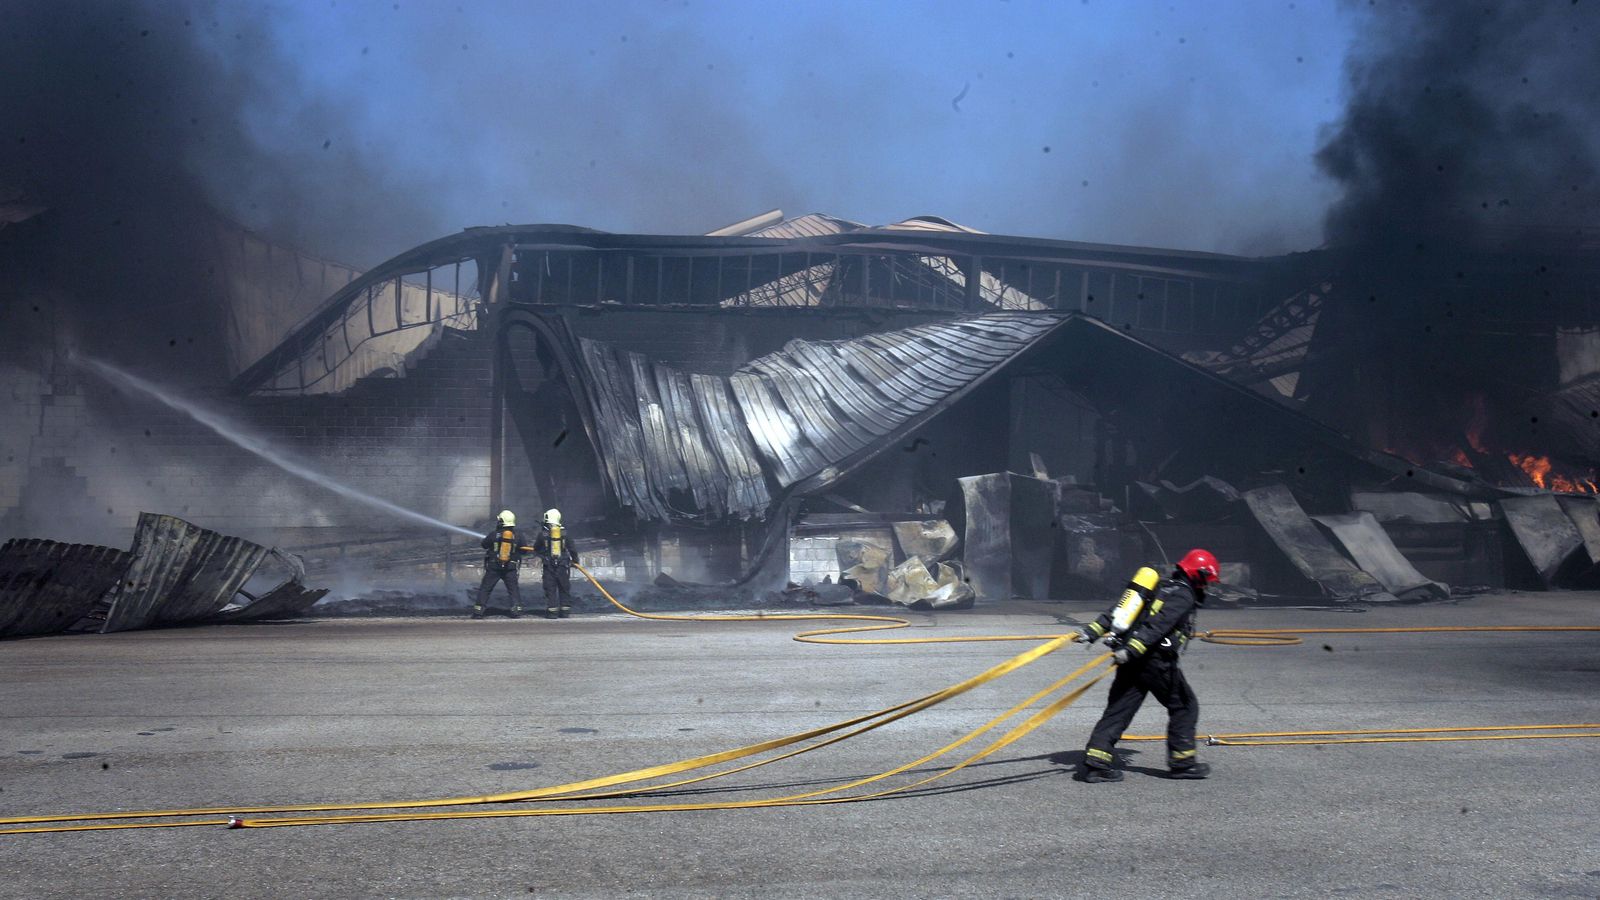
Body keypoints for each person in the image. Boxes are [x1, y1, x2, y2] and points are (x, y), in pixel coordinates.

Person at [1071, 548, 1220, 783]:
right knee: (1184, 705)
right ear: (1198, 575)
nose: (1206, 587)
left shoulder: (1159, 586)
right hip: (1153, 660)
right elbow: (1159, 625)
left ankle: (1096, 763)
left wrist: (1093, 631)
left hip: (1131, 658)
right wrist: (1133, 650)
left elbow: (1118, 611)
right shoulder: (1182, 595)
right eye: (1206, 581)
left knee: (1119, 709)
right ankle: (1183, 763)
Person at [474, 510, 532, 619]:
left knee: (486, 588)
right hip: (510, 567)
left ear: (501, 521)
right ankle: (517, 611)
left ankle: (478, 611)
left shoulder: (494, 534)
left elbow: (484, 545)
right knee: (513, 589)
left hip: (494, 567)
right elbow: (524, 550)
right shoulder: (518, 535)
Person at [532, 508, 580, 618]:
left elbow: (536, 549)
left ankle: (552, 612)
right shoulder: (565, 534)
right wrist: (575, 561)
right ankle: (565, 611)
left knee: (550, 588)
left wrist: (542, 554)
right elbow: (572, 549)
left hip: (549, 566)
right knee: (564, 588)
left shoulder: (542, 535)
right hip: (563, 565)